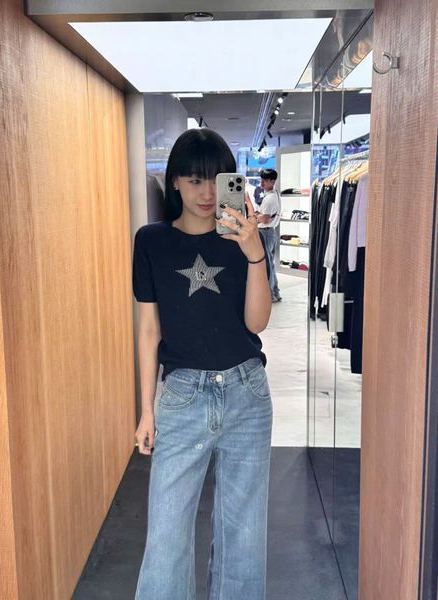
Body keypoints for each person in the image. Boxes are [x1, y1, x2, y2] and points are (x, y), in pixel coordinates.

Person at [132, 128, 273, 600]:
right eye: (195, 180)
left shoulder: (240, 239)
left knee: (244, 537)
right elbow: (149, 330)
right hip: (183, 395)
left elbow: (257, 323)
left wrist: (255, 254)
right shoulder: (151, 241)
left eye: (216, 179)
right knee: (166, 537)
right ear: (174, 181)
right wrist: (147, 410)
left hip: (246, 392)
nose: (207, 193)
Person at [252, 168, 282, 302]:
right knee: (270, 264)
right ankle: (275, 293)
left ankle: (270, 295)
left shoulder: (270, 199)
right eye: (261, 180)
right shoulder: (274, 195)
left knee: (267, 266)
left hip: (265, 232)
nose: (262, 183)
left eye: (265, 180)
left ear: (272, 181)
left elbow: (264, 219)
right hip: (270, 232)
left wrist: (256, 214)